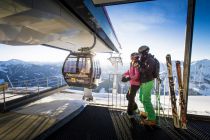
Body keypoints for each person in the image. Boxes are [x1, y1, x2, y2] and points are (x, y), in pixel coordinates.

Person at [138, 45, 156, 126]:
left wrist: (139, 66)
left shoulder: (150, 60)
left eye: (140, 53)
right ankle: (147, 113)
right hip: (143, 81)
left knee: (146, 99)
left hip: (148, 82)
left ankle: (152, 119)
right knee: (141, 98)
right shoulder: (144, 59)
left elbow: (148, 71)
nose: (140, 55)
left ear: (144, 52)